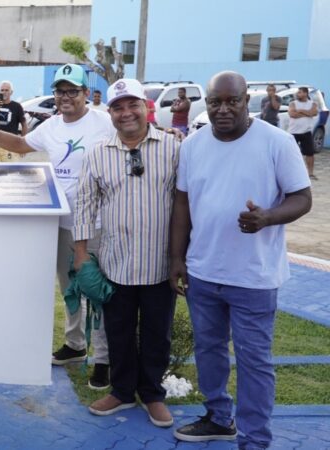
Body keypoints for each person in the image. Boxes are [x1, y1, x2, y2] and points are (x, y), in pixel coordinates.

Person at [170, 71, 312, 449]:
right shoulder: (193, 146)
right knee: (209, 351)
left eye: (232, 101)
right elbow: (182, 204)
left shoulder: (277, 142)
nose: (223, 109)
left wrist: (267, 217)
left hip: (254, 276)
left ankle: (255, 439)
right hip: (203, 272)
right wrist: (176, 258)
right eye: (215, 102)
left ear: (246, 99)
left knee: (254, 362)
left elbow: (302, 198)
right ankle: (218, 417)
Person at [0, 63, 114, 389]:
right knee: (69, 287)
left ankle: (103, 359)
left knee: (96, 291)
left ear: (86, 93)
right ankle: (75, 345)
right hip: (59, 222)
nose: (65, 97)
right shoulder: (51, 127)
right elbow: (20, 145)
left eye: (73, 90)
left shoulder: (103, 121)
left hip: (97, 223)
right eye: (60, 91)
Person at [73, 78, 179, 427]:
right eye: (118, 107)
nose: (126, 112)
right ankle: (120, 391)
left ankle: (151, 394)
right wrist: (81, 254)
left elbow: (187, 202)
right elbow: (85, 205)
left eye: (132, 104)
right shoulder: (98, 153)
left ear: (146, 107)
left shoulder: (173, 148)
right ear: (111, 113)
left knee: (156, 334)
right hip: (115, 264)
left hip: (160, 265)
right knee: (117, 331)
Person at [287, 87, 319, 180]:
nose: (297, 94)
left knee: (309, 153)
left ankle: (310, 174)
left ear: (305, 93)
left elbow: (313, 112)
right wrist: (307, 113)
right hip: (293, 132)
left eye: (300, 92)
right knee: (291, 154)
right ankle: (291, 173)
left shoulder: (312, 104)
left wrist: (300, 111)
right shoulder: (293, 103)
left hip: (306, 132)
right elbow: (292, 114)